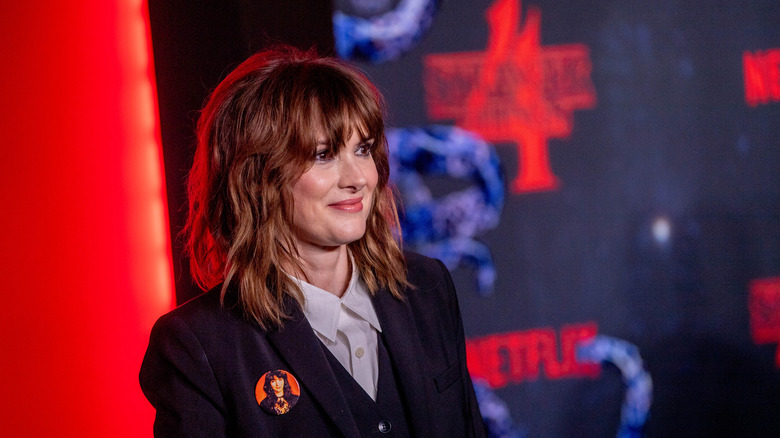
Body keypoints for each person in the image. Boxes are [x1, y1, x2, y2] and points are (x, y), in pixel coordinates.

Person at [139, 45, 486, 437]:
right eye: (324, 155)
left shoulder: (428, 287)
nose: (358, 178)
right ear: (257, 178)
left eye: (363, 149)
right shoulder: (197, 347)